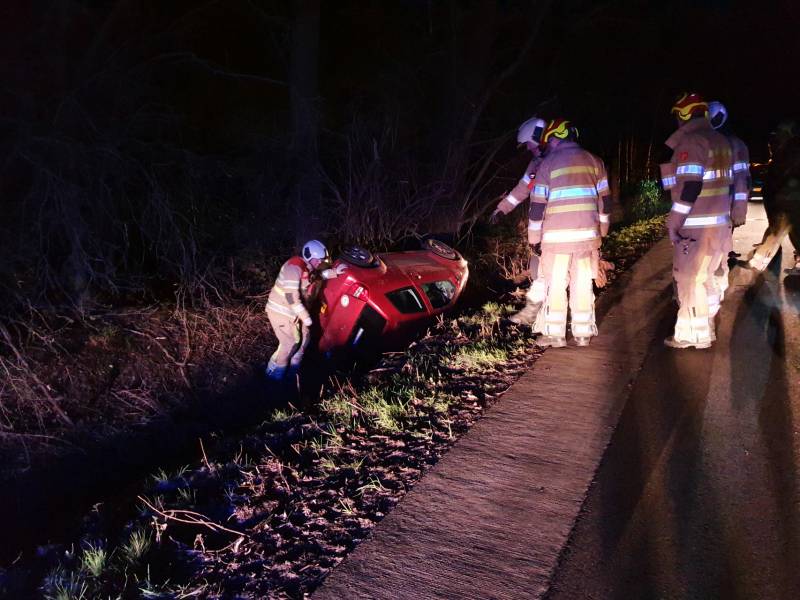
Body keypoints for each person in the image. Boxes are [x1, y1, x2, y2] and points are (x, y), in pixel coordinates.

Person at [529, 118, 612, 348]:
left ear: (555, 138)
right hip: (587, 240)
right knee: (583, 283)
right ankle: (583, 333)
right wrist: (602, 230)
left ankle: (555, 335)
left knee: (556, 285)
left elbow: (537, 206)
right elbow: (605, 201)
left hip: (556, 242)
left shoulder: (547, 164)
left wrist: (534, 239)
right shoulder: (595, 161)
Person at [662, 92, 734, 349]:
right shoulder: (720, 141)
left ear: (684, 115)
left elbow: (690, 187)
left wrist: (674, 223)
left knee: (689, 278)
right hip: (718, 226)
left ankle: (689, 335)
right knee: (702, 278)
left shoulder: (692, 142)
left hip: (697, 226)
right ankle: (702, 332)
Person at [490, 116, 548, 324]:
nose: (528, 149)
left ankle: (541, 316)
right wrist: (501, 209)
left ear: (538, 138)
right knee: (540, 269)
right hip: (544, 229)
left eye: (529, 144)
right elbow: (522, 189)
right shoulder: (536, 163)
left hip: (554, 228)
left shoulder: (557, 161)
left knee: (546, 271)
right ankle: (542, 315)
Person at [265, 240, 347, 380]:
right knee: (289, 344)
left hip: (296, 313)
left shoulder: (308, 268)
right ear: (310, 258)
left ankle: (292, 375)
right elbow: (291, 297)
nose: (320, 263)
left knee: (304, 341)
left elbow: (317, 276)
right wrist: (306, 317)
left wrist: (335, 272)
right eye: (318, 261)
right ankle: (274, 377)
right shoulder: (294, 267)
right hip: (281, 312)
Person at [707, 100, 750, 307]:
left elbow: (742, 178)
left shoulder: (735, 145)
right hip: (712, 206)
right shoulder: (710, 142)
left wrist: (739, 209)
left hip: (727, 204)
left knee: (718, 251)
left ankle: (715, 292)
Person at [748, 120, 800, 273]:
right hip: (787, 200)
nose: (777, 137)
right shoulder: (787, 149)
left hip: (789, 200)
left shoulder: (791, 150)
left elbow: (783, 174)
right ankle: (758, 263)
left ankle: (757, 263)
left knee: (777, 232)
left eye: (781, 134)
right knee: (781, 233)